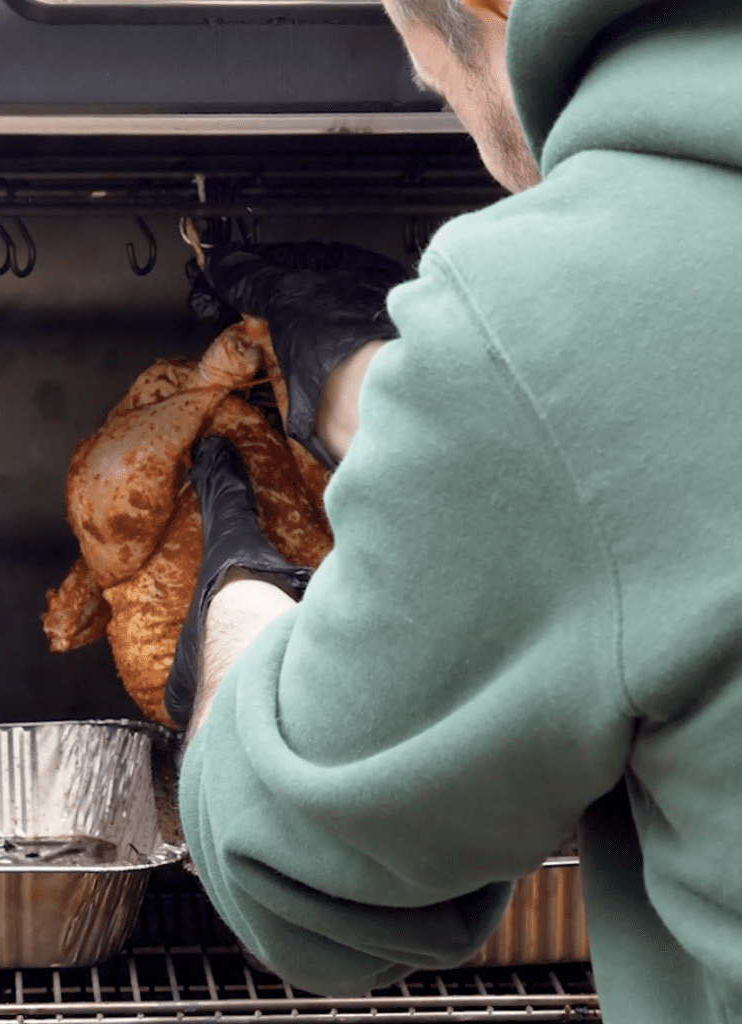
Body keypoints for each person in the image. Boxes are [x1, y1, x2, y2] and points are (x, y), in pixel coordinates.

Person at [167, 0, 742, 1020]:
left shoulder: (560, 300)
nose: (485, 153)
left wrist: (240, 592)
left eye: (442, 92)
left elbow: (290, 872)